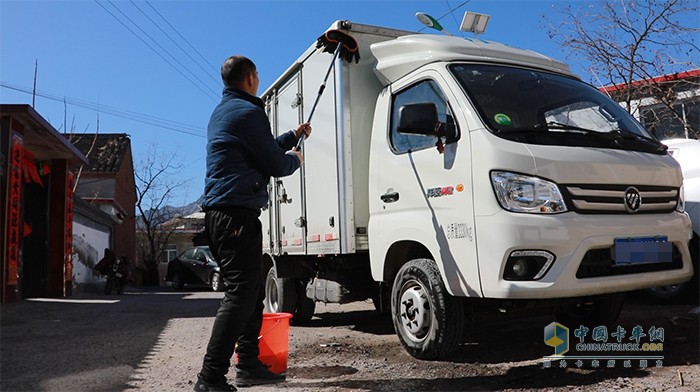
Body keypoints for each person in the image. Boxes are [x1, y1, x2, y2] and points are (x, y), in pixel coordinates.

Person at [194, 55, 311, 392]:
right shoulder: (249, 112)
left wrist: (291, 135)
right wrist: (295, 159)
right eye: (257, 75)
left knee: (253, 292)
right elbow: (273, 163)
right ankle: (210, 378)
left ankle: (248, 365)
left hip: (226, 214)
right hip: (235, 215)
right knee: (240, 295)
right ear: (250, 78)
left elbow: (260, 149)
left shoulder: (226, 111)